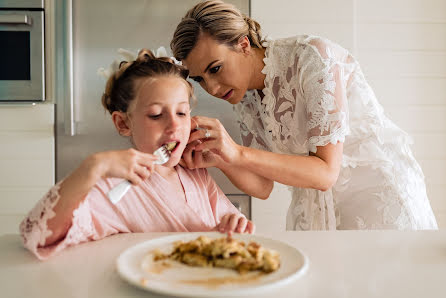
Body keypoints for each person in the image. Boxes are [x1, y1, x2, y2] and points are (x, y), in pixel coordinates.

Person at [170, 0, 438, 230]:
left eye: (215, 69)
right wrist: (220, 157)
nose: (212, 89)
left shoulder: (313, 57)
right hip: (316, 211)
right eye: (200, 79)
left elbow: (325, 173)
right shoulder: (245, 97)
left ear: (243, 44)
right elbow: (263, 186)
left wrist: (236, 152)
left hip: (378, 200)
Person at [19, 49, 254, 260]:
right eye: (155, 115)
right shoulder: (113, 187)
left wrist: (232, 227)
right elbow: (37, 236)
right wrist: (92, 167)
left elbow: (231, 233)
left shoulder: (198, 177)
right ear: (123, 123)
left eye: (181, 113)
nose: (174, 126)